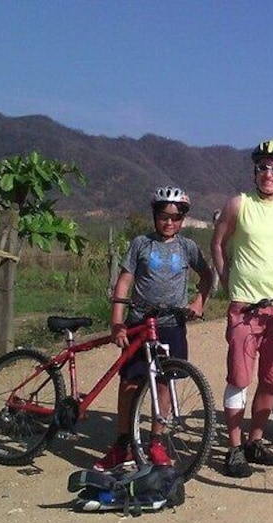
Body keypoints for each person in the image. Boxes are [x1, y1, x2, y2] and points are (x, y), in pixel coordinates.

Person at [211, 139, 273, 478]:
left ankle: (256, 441)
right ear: (254, 171)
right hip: (246, 308)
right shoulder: (239, 204)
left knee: (272, 380)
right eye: (262, 167)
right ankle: (234, 448)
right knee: (239, 378)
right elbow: (218, 243)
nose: (268, 174)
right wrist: (227, 282)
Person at [93, 186, 214, 472]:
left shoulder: (188, 248)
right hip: (139, 323)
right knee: (131, 383)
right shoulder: (141, 244)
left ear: (183, 219)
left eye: (175, 217)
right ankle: (122, 444)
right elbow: (124, 281)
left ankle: (156, 442)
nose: (169, 222)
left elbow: (207, 276)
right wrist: (117, 322)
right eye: (163, 216)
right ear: (154, 216)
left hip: (171, 325)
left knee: (163, 384)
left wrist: (199, 301)